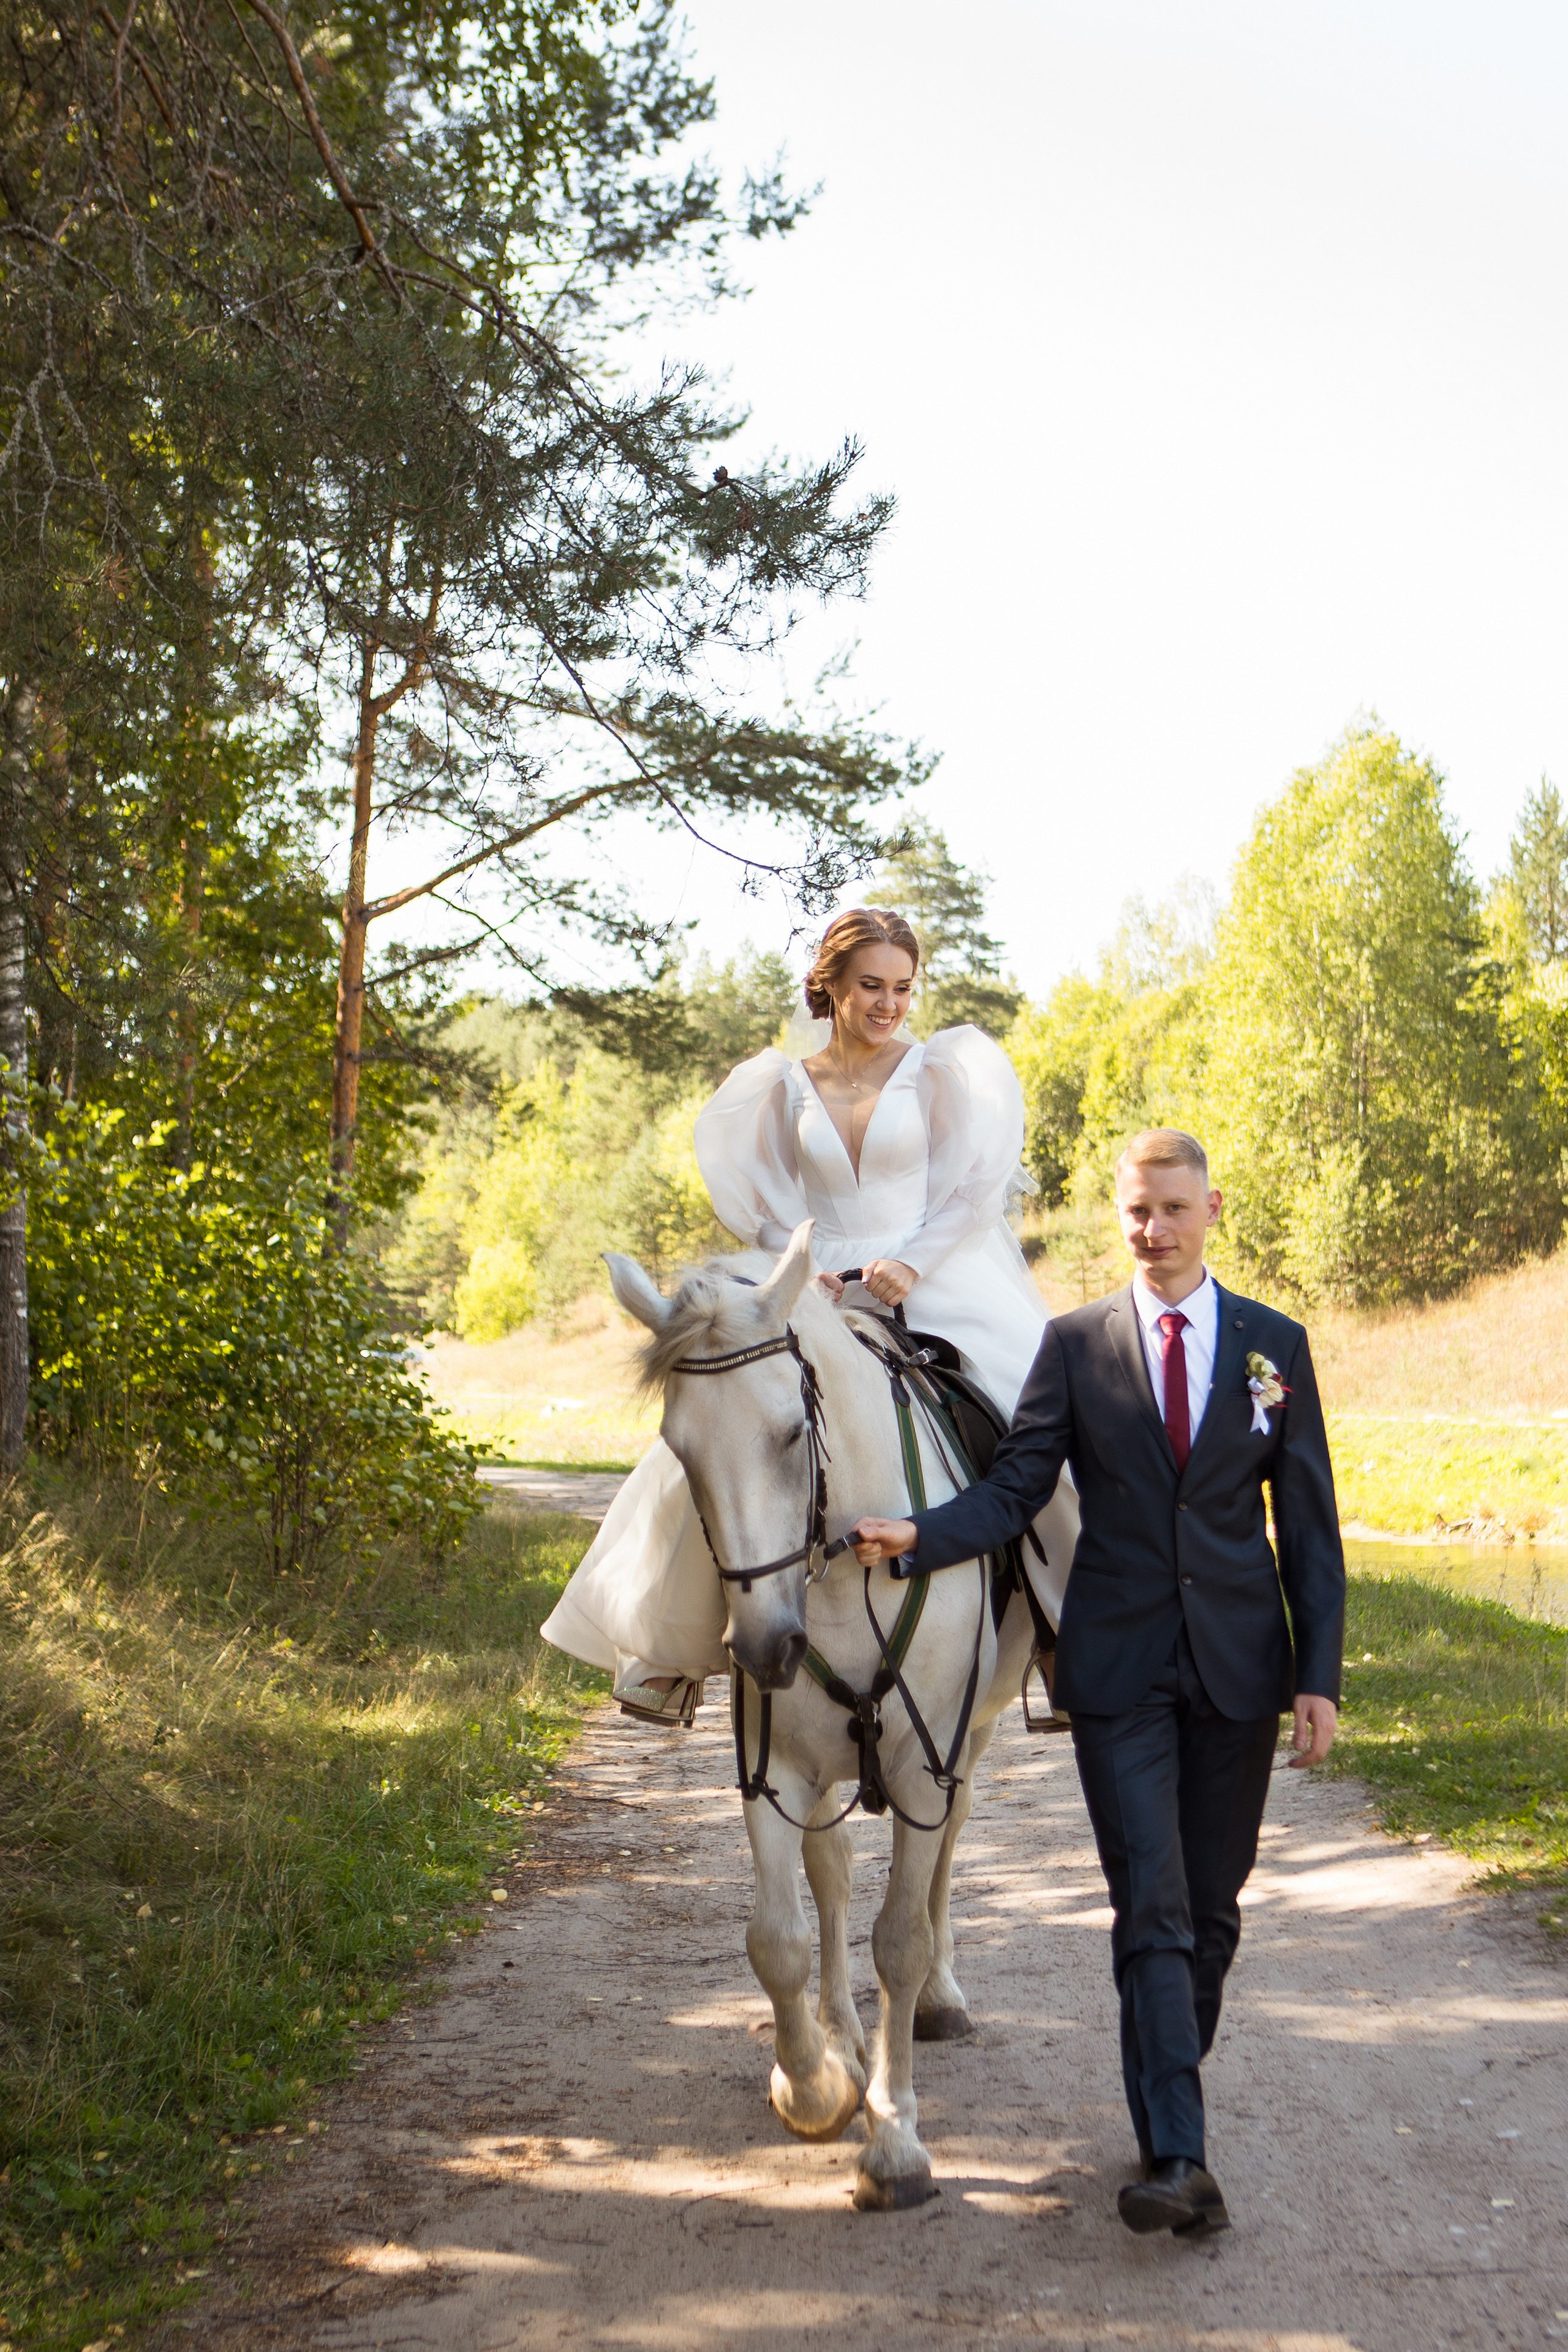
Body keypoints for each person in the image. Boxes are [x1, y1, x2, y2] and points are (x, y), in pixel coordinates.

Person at [850, 1128, 1344, 2238]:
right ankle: (1179, 2155)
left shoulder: (1276, 1348)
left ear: (1213, 1208)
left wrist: (1318, 1676)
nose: (1154, 1230)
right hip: (1116, 1667)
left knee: (1210, 1914)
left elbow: (1307, 1529)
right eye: (1136, 1211)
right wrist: (919, 1536)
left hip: (1239, 1670)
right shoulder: (1074, 1346)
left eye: (1174, 1209)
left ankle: (1167, 2074)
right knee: (1152, 1907)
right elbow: (1018, 1487)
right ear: (1117, 1215)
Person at [540, 905, 1079, 1719]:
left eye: (903, 987)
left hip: (932, 1273)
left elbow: (973, 1192)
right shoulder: (780, 1088)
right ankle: (669, 1652)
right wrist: (804, 1269)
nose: (889, 1003)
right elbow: (760, 1208)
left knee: (1031, 1425)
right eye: (871, 985)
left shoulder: (937, 1073)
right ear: (830, 984)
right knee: (727, 1425)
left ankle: (1055, 1631)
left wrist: (912, 1263)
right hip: (819, 1284)